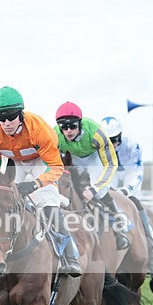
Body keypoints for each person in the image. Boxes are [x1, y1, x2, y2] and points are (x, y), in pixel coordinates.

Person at [0, 86, 81, 276]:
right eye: (1, 118)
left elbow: (56, 167)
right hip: (14, 163)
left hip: (40, 161)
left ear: (20, 113)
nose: (6, 123)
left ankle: (70, 257)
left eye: (11, 116)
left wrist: (36, 184)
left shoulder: (38, 130)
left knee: (49, 203)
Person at [54, 101, 130, 250]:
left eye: (73, 126)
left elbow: (110, 164)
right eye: (64, 127)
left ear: (80, 124)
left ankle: (118, 224)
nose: (68, 131)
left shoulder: (96, 133)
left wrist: (93, 189)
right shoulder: (54, 135)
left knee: (99, 192)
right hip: (73, 158)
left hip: (94, 158)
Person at [100, 116, 153, 274]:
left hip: (129, 175)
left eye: (115, 140)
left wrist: (127, 190)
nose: (112, 144)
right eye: (108, 141)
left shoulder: (133, 146)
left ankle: (151, 248)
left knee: (136, 204)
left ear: (120, 136)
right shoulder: (97, 147)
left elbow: (137, 172)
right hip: (111, 176)